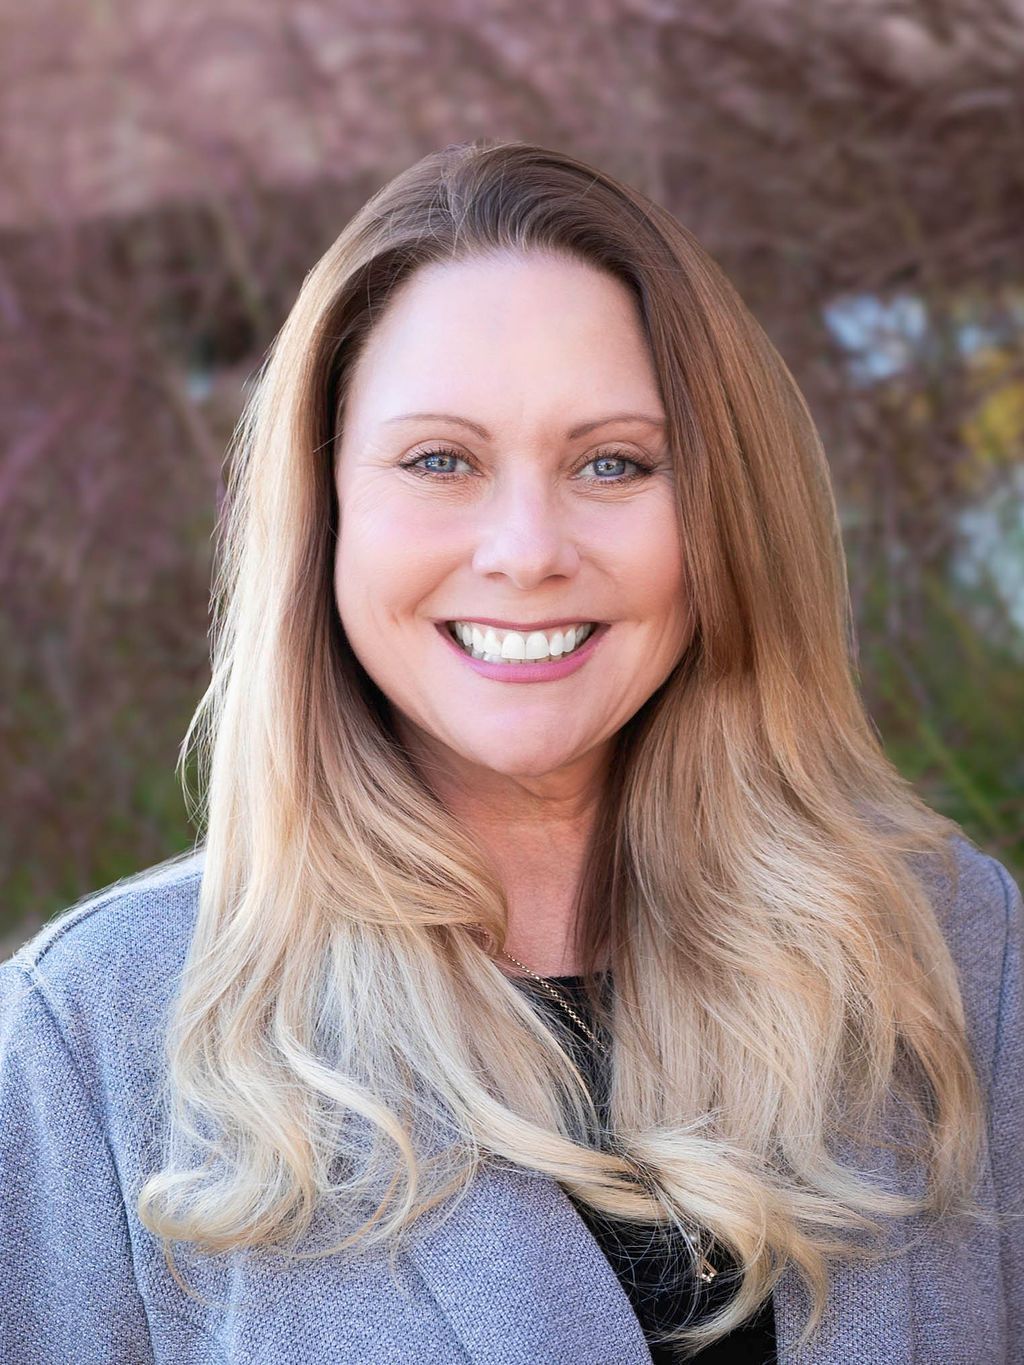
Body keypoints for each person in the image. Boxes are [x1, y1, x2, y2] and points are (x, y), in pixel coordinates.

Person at [1, 138, 1020, 1364]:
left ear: (724, 518)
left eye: (614, 463)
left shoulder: (950, 952)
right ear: (324, 512)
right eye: (442, 461)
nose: (527, 549)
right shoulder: (94, 1034)